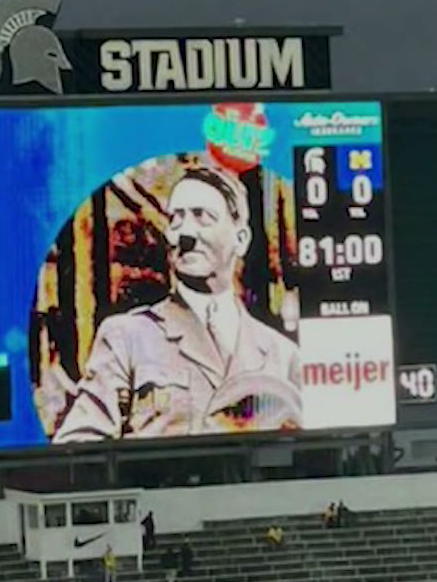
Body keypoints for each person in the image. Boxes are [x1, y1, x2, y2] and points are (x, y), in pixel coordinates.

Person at [52, 165, 301, 442]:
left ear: (240, 240)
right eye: (176, 219)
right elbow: (76, 446)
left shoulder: (282, 354)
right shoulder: (127, 337)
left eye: (202, 217)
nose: (185, 234)